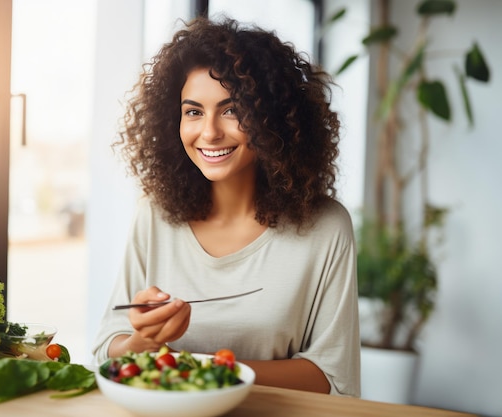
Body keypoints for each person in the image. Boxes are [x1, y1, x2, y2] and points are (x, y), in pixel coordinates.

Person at [92, 16, 360, 397]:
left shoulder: (326, 227)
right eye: (194, 111)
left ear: (273, 121)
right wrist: (144, 339)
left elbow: (334, 377)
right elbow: (106, 349)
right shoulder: (154, 214)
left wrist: (210, 369)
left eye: (232, 110)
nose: (210, 132)